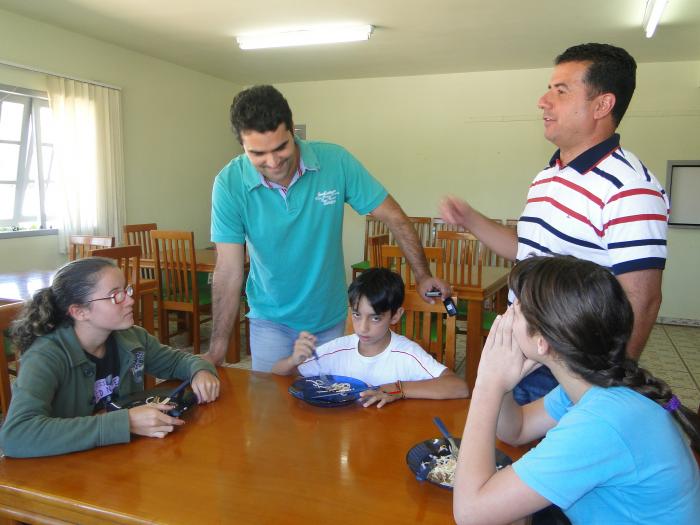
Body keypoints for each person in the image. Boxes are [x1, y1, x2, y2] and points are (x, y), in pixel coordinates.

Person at [440, 43, 669, 403]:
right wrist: (470, 219)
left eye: (561, 91)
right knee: (507, 448)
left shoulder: (631, 188)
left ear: (602, 105)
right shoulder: (550, 175)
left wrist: (608, 390)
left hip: (571, 365)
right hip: (523, 347)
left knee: (540, 454)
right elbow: (526, 250)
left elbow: (643, 299)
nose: (543, 101)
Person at [207, 85, 450, 371]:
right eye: (258, 153)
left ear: (292, 131)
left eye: (281, 147)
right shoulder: (229, 183)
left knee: (326, 403)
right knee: (268, 406)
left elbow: (394, 216)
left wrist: (422, 275)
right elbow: (228, 269)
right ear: (242, 147)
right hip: (269, 319)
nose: (272, 162)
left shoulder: (335, 161)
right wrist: (216, 350)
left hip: (328, 319)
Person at [452, 256, 700, 525]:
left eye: (518, 306)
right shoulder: (594, 383)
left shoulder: (602, 422)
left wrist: (486, 384)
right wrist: (504, 387)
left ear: (543, 342)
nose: (508, 313)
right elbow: (517, 430)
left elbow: (470, 514)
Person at [0, 258, 220, 458]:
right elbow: (17, 435)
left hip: (120, 460)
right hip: (68, 472)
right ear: (79, 312)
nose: (130, 300)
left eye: (127, 290)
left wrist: (200, 370)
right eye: (117, 296)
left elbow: (178, 361)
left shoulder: (132, 337)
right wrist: (126, 422)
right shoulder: (46, 357)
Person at [272, 268, 468, 407]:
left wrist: (398, 389)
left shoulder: (406, 353)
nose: (363, 328)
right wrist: (292, 361)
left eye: (375, 318)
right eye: (357, 315)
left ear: (396, 316)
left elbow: (459, 388)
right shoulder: (339, 350)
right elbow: (277, 374)